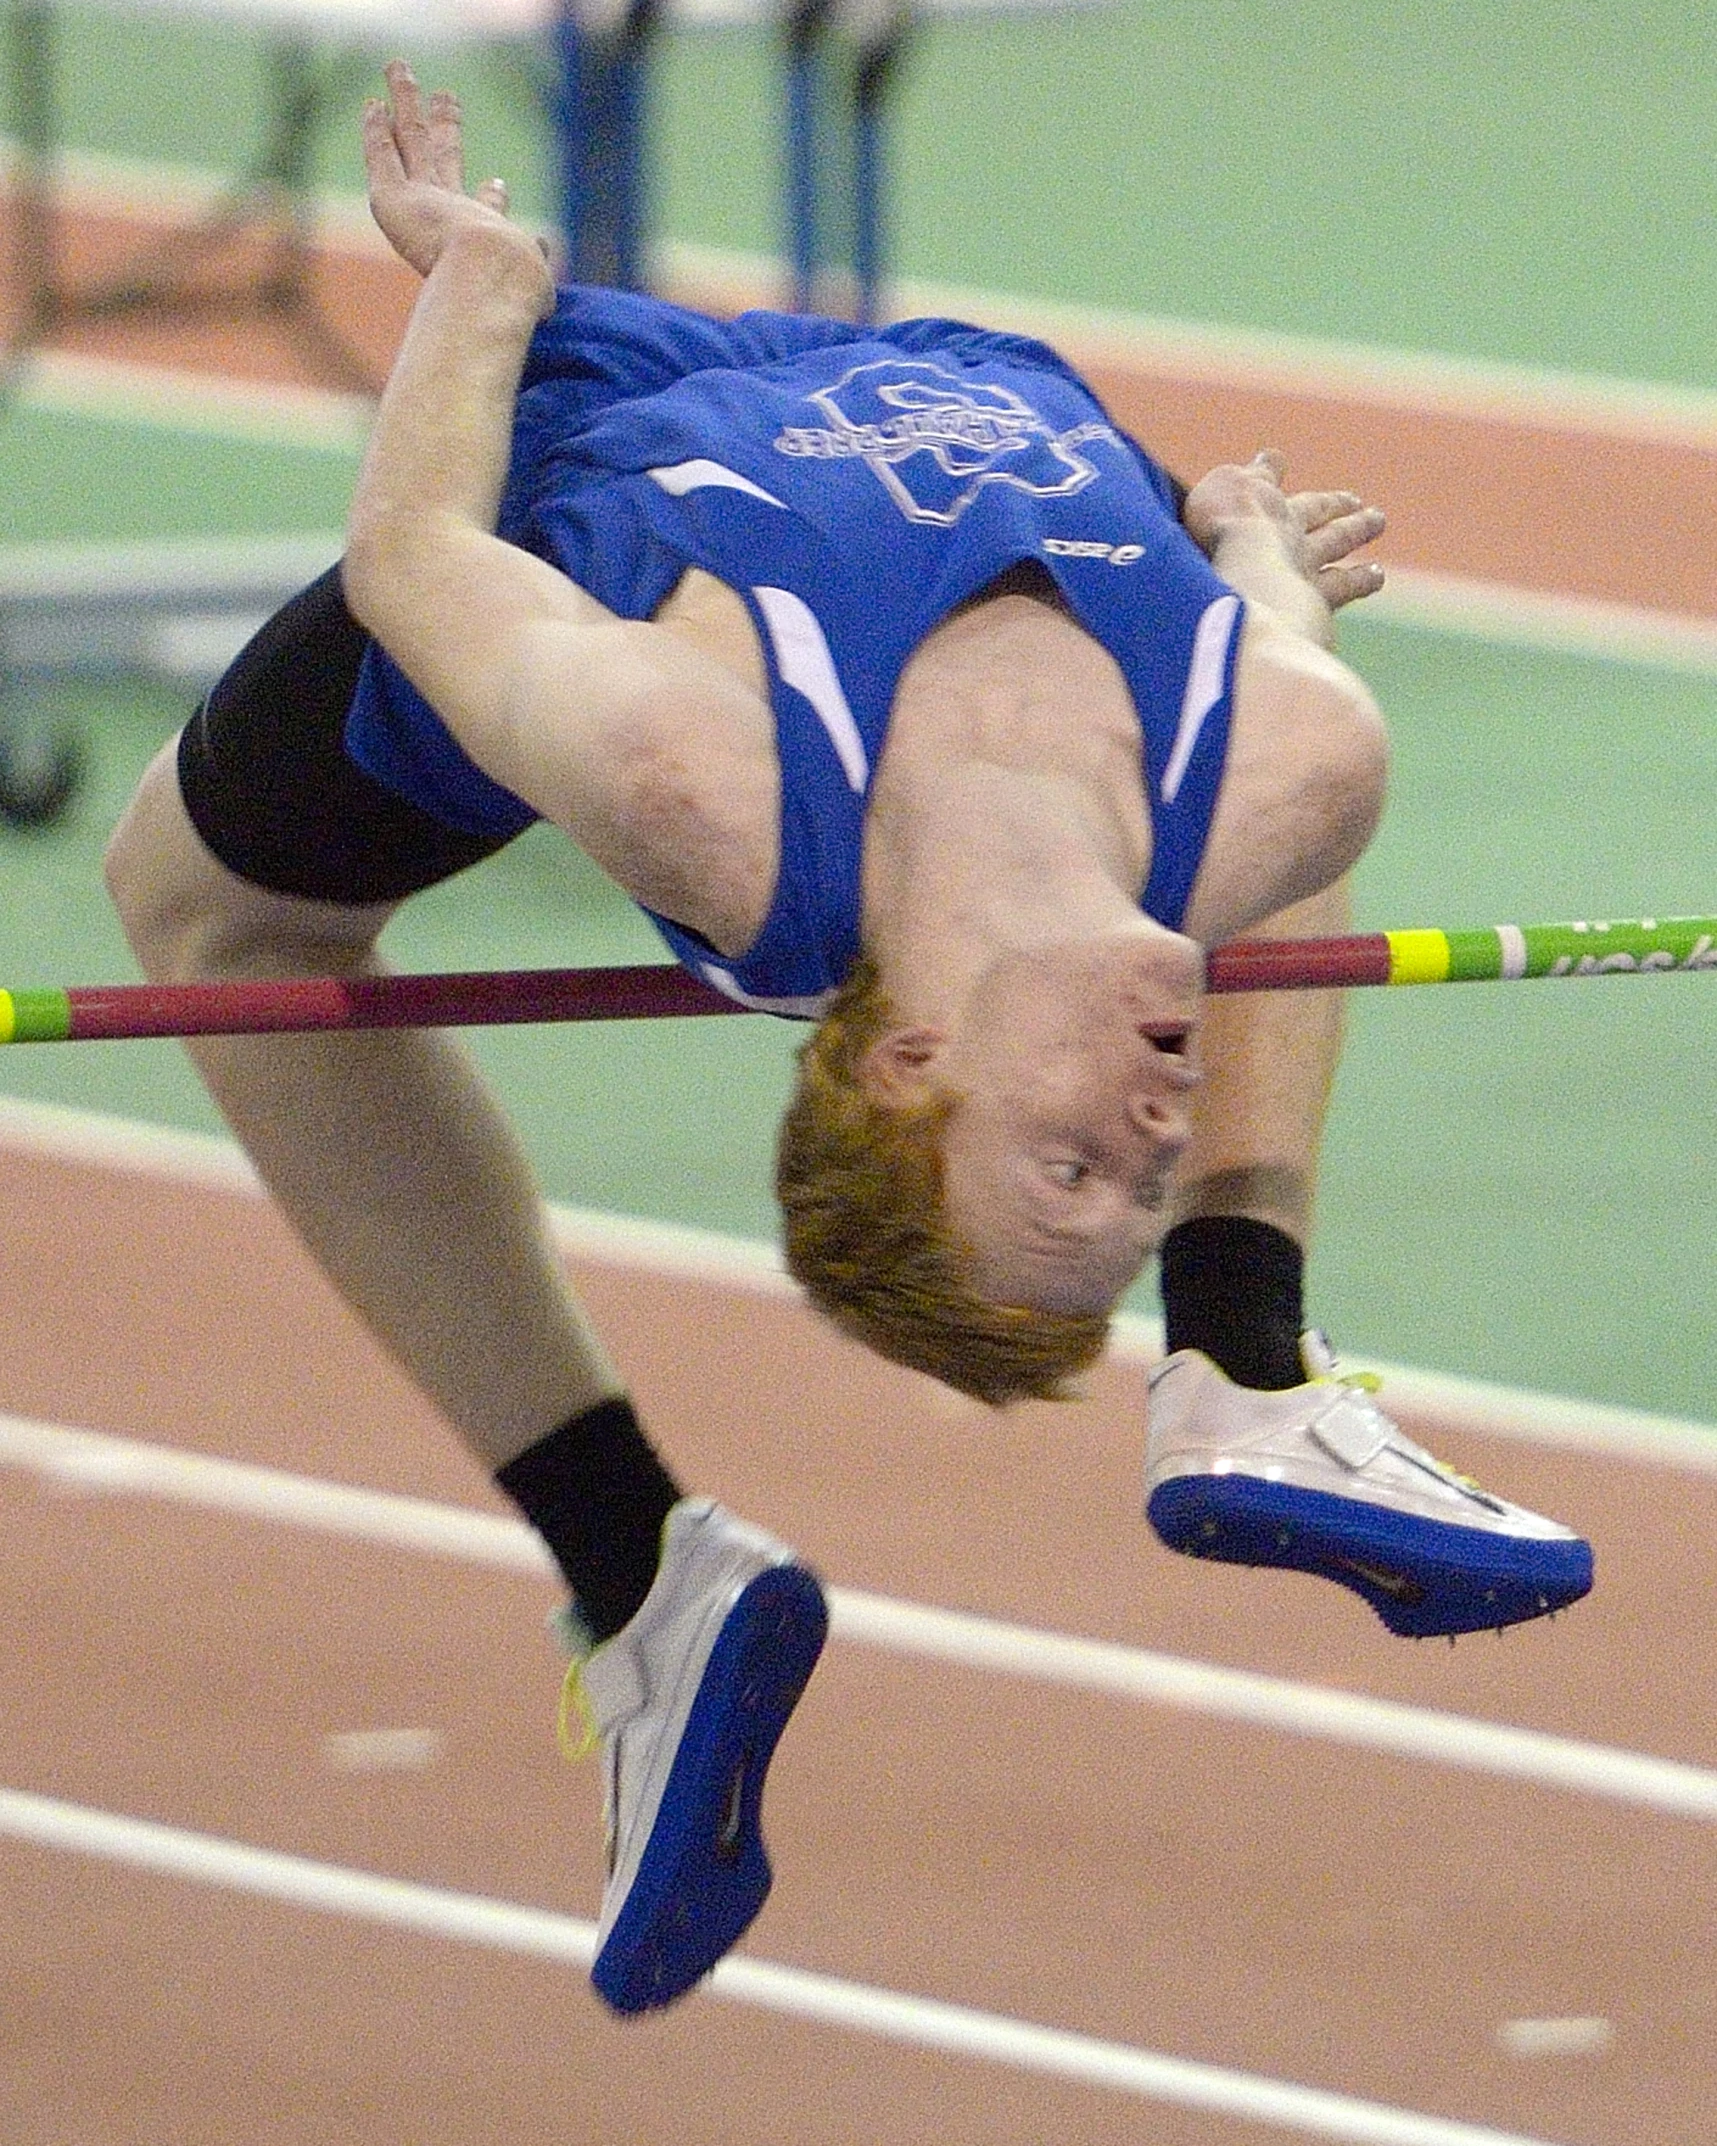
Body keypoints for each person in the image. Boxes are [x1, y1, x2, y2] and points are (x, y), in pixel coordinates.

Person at [104, 66, 1591, 2015]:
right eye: (1152, 1180)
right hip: (968, 409)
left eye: (1068, 1162)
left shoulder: (700, 783)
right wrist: (1256, 566)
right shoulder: (1295, 762)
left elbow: (415, 567)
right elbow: (1268, 658)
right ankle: (1244, 1356)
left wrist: (477, 287)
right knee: (1253, 822)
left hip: (628, 423)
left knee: (204, 912)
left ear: (905, 1062)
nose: (1150, 1129)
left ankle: (639, 1569)